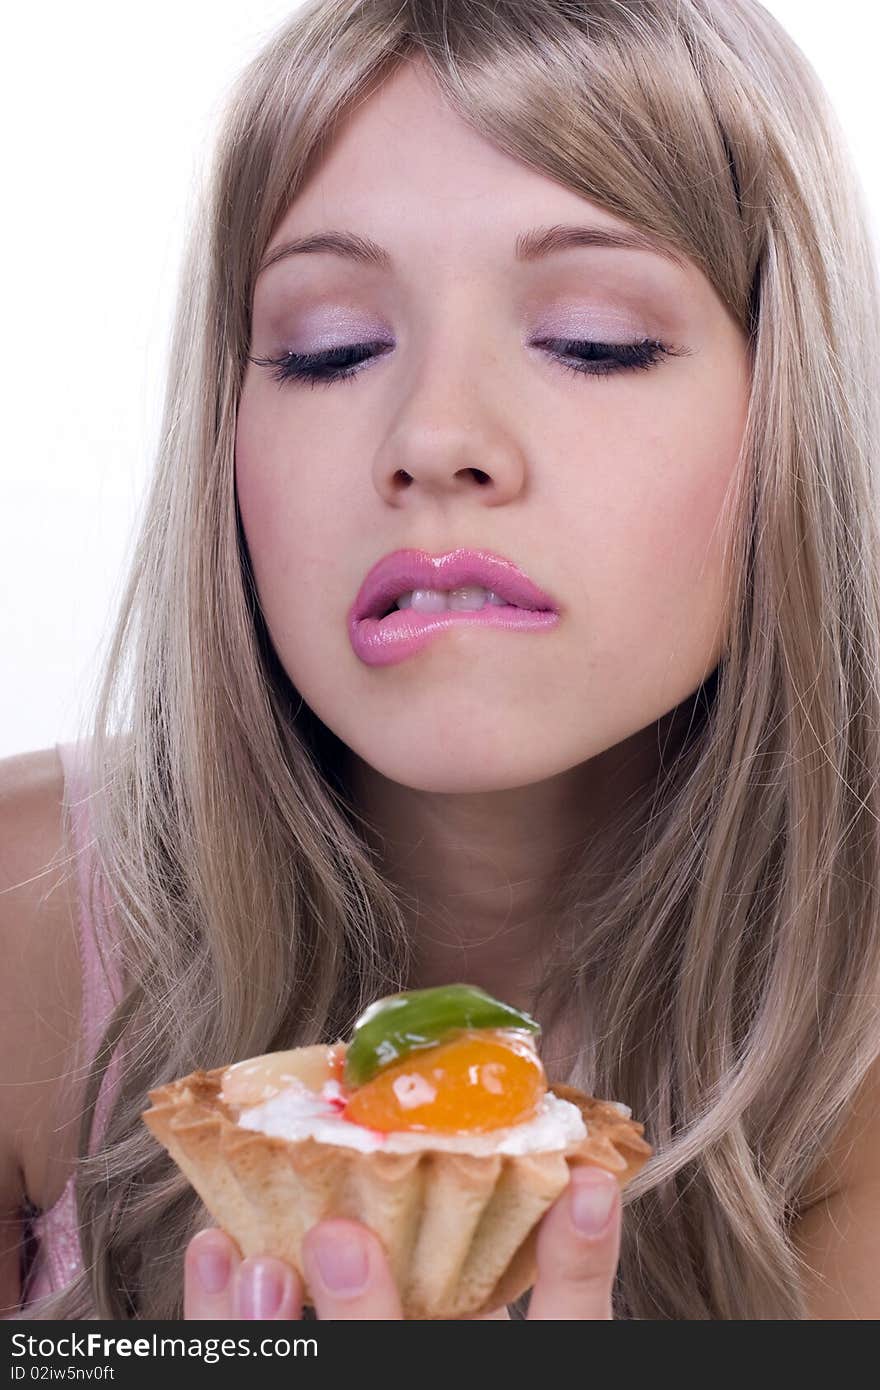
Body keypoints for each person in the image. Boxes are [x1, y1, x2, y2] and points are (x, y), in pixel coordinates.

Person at [3, 0, 880, 1321]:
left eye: (591, 339)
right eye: (331, 348)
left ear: (791, 412)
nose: (433, 435)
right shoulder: (25, 930)